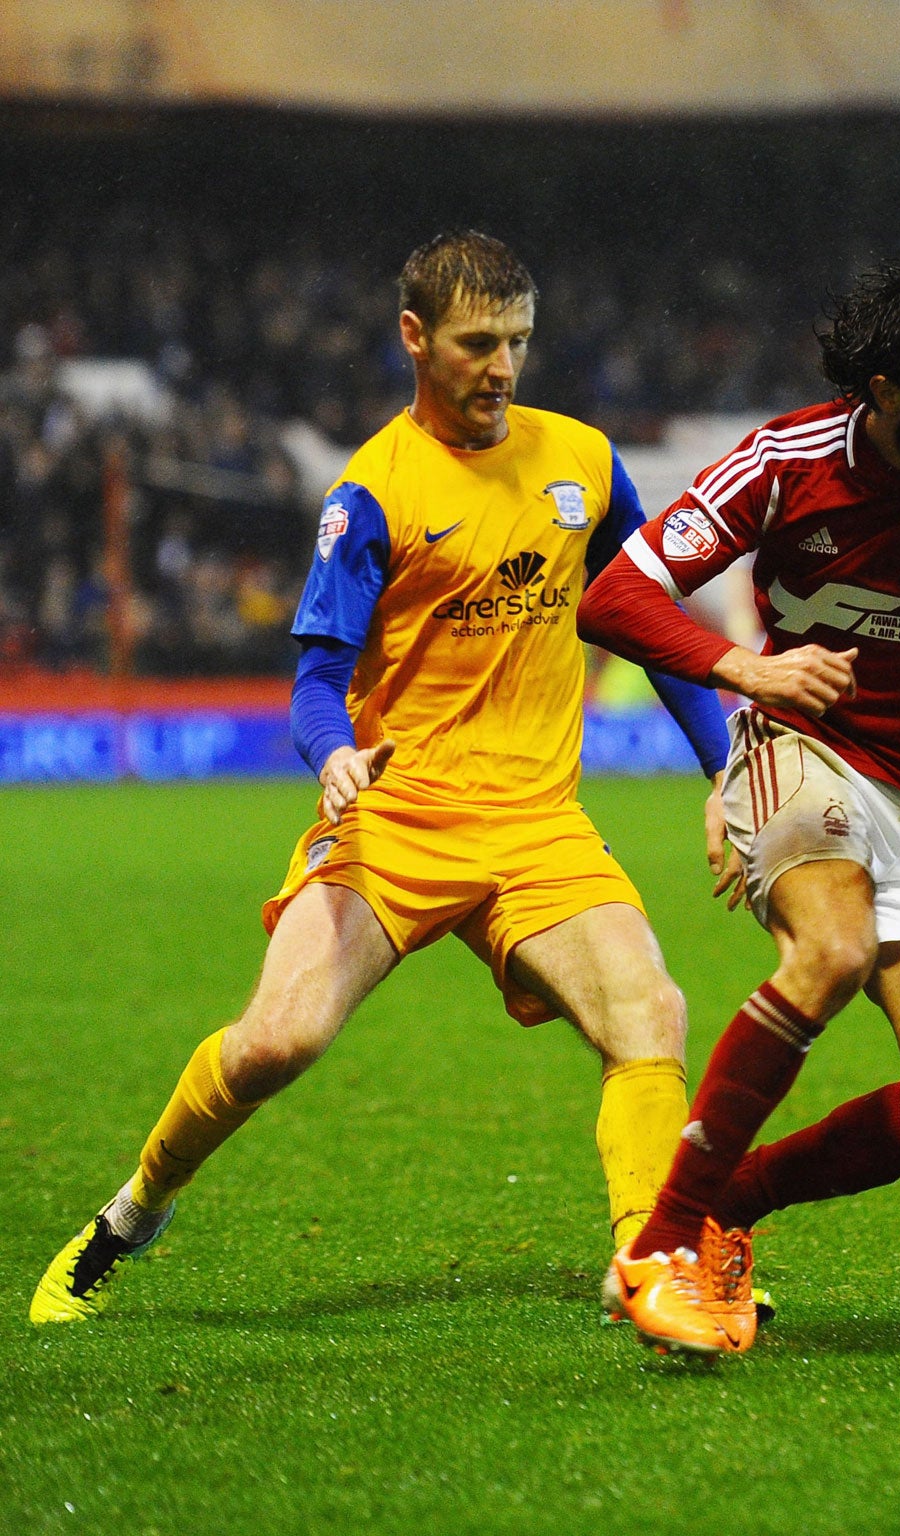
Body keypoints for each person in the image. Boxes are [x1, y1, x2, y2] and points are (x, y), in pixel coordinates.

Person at [30, 231, 731, 1325]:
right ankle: (131, 1212)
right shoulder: (370, 494)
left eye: (518, 342)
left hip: (535, 823)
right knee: (277, 1041)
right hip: (396, 817)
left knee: (650, 1013)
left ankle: (652, 1266)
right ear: (414, 337)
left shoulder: (584, 463)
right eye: (476, 343)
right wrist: (335, 753)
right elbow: (316, 680)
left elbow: (646, 621)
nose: (502, 367)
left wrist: (725, 767)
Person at [577, 252, 900, 1355]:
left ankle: (732, 1203)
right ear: (884, 398)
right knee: (829, 950)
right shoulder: (783, 463)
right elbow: (613, 596)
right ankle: (662, 1244)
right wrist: (744, 671)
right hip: (801, 747)